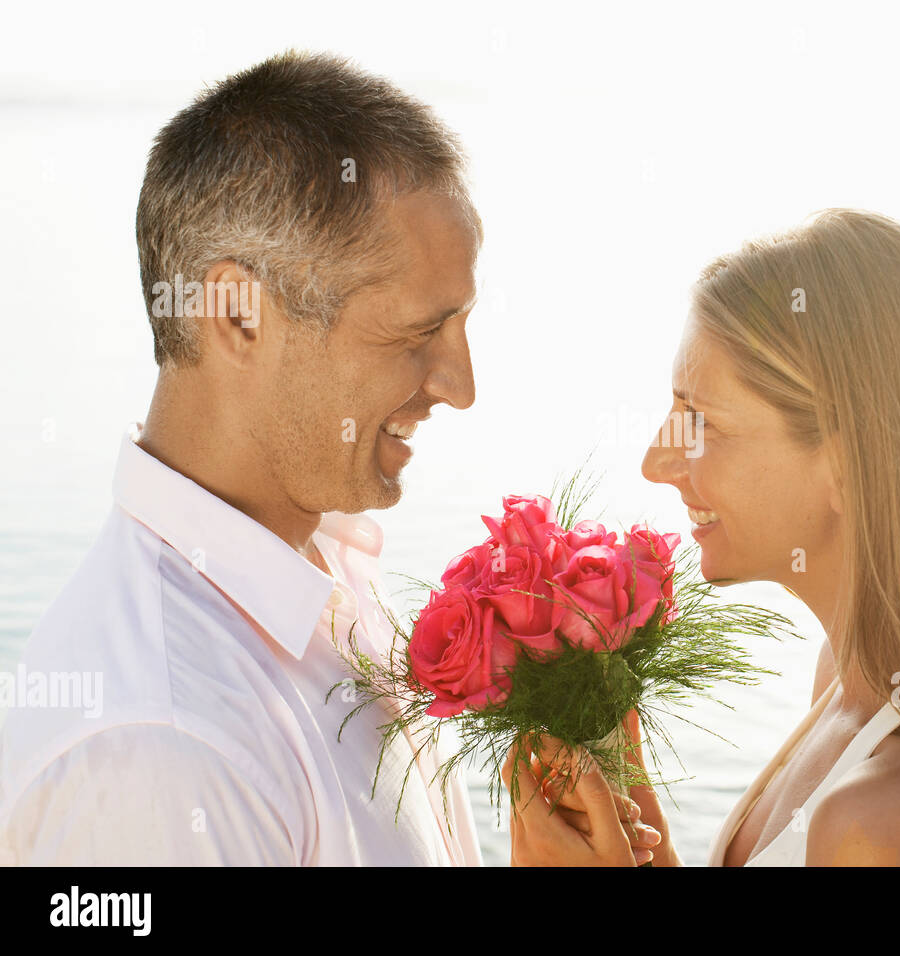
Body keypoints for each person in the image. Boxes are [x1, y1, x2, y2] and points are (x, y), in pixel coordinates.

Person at [0, 50, 655, 866]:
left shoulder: (323, 567)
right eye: (417, 334)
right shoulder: (162, 750)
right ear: (238, 314)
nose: (462, 386)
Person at [506, 209, 900, 866]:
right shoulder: (849, 682)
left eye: (699, 421)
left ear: (850, 466)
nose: (656, 462)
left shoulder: (887, 829)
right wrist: (644, 845)